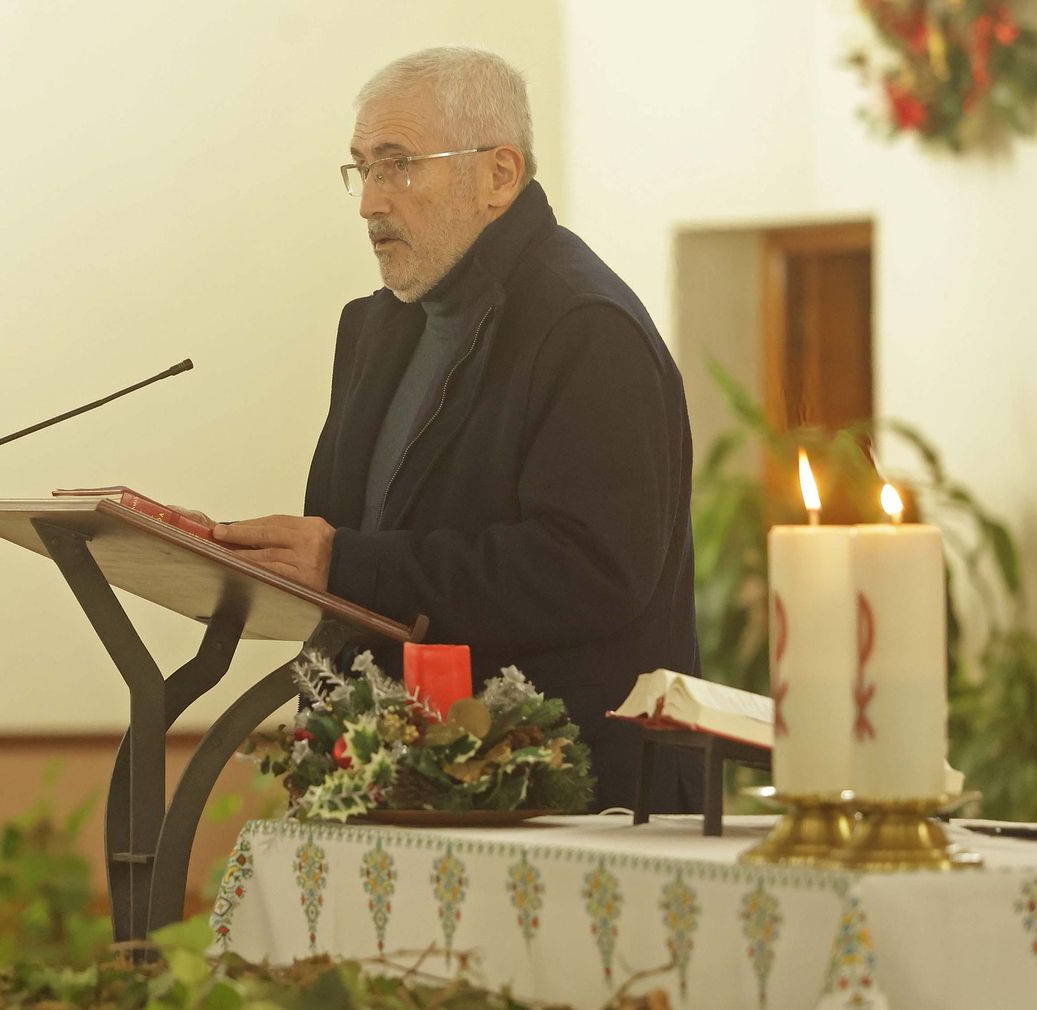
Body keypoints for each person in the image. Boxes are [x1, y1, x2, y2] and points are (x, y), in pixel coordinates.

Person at [213, 47, 700, 811]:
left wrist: (349, 564)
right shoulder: (377, 330)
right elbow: (355, 554)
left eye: (398, 164)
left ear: (499, 176)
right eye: (362, 168)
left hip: (567, 796)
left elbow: (593, 572)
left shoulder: (586, 328)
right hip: (393, 779)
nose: (370, 202)